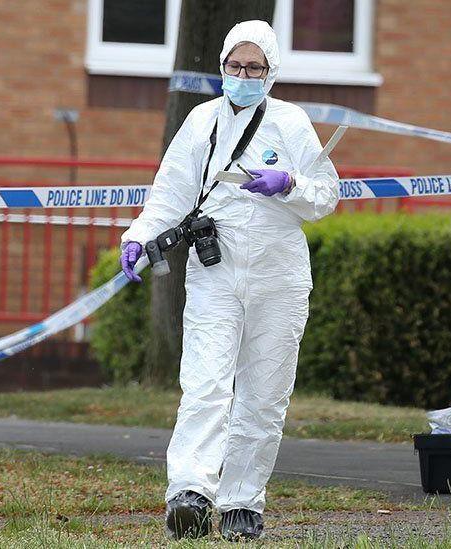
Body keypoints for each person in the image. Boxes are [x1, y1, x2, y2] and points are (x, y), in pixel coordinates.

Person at [118, 20, 339, 541]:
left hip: (278, 276)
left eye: (254, 68)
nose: (243, 76)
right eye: (234, 67)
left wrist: (289, 185)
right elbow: (171, 191)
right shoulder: (200, 122)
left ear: (271, 71)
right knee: (205, 383)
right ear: (222, 67)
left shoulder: (290, 122)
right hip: (215, 272)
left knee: (264, 393)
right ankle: (190, 492)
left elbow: (326, 195)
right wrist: (139, 235)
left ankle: (242, 501)